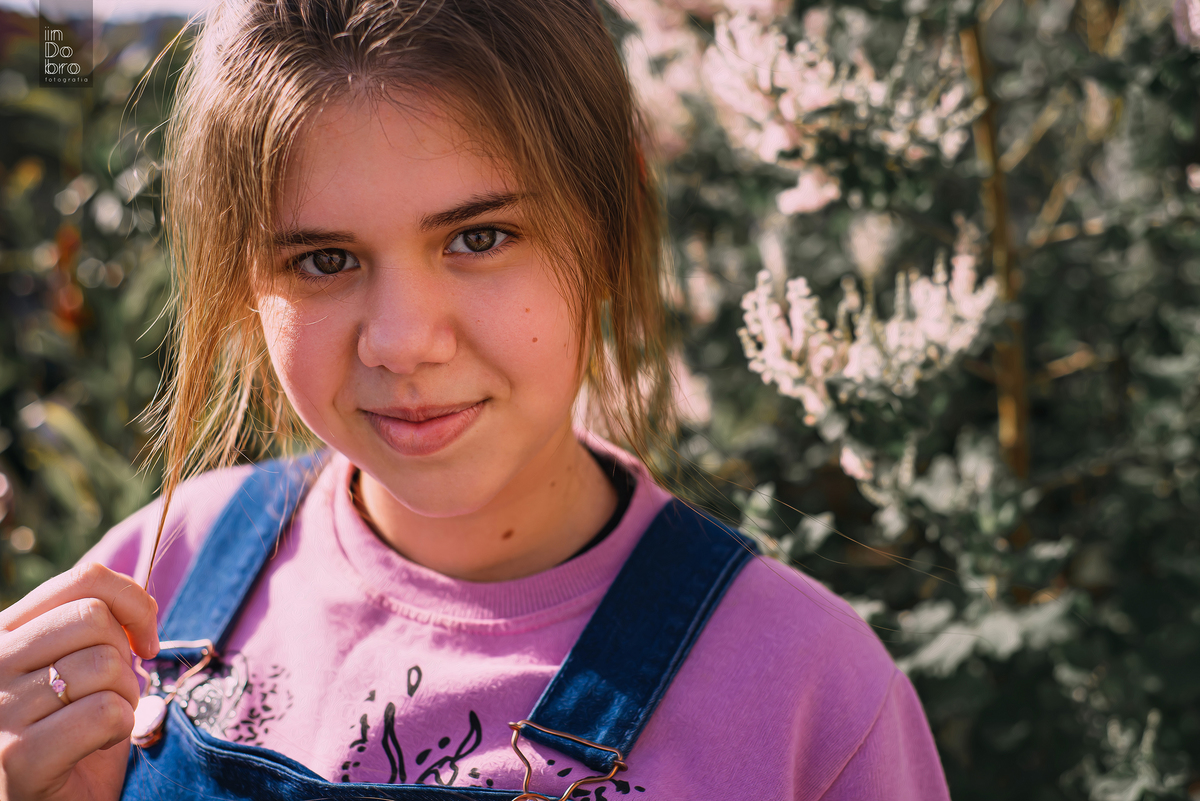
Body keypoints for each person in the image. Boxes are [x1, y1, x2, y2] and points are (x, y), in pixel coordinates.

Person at [0, 0, 953, 799]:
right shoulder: (150, 582)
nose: (403, 340)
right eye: (324, 259)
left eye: (480, 237)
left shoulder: (812, 700)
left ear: (608, 229)